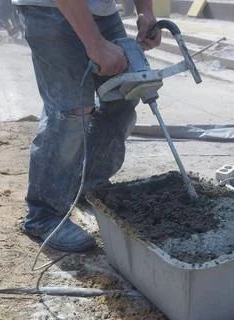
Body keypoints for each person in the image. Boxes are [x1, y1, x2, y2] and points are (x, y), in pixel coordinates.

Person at [12, 0, 161, 252]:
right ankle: (43, 214)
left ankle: (89, 184)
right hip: (50, 10)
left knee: (122, 96)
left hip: (102, 10)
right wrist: (94, 42)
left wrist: (146, 11)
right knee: (71, 112)